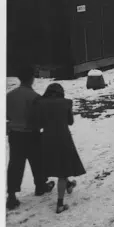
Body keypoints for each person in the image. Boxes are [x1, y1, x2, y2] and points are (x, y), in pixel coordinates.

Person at [6, 66, 53, 210]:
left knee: (15, 163)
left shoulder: (10, 95)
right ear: (32, 78)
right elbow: (39, 118)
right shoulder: (34, 97)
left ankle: (12, 195)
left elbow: (7, 115)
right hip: (31, 133)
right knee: (37, 159)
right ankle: (40, 185)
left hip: (15, 133)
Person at [34, 83, 85, 214]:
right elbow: (70, 122)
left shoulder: (41, 103)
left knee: (56, 165)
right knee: (63, 170)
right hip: (63, 137)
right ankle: (60, 204)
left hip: (46, 138)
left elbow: (38, 123)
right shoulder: (66, 102)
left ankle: (68, 185)